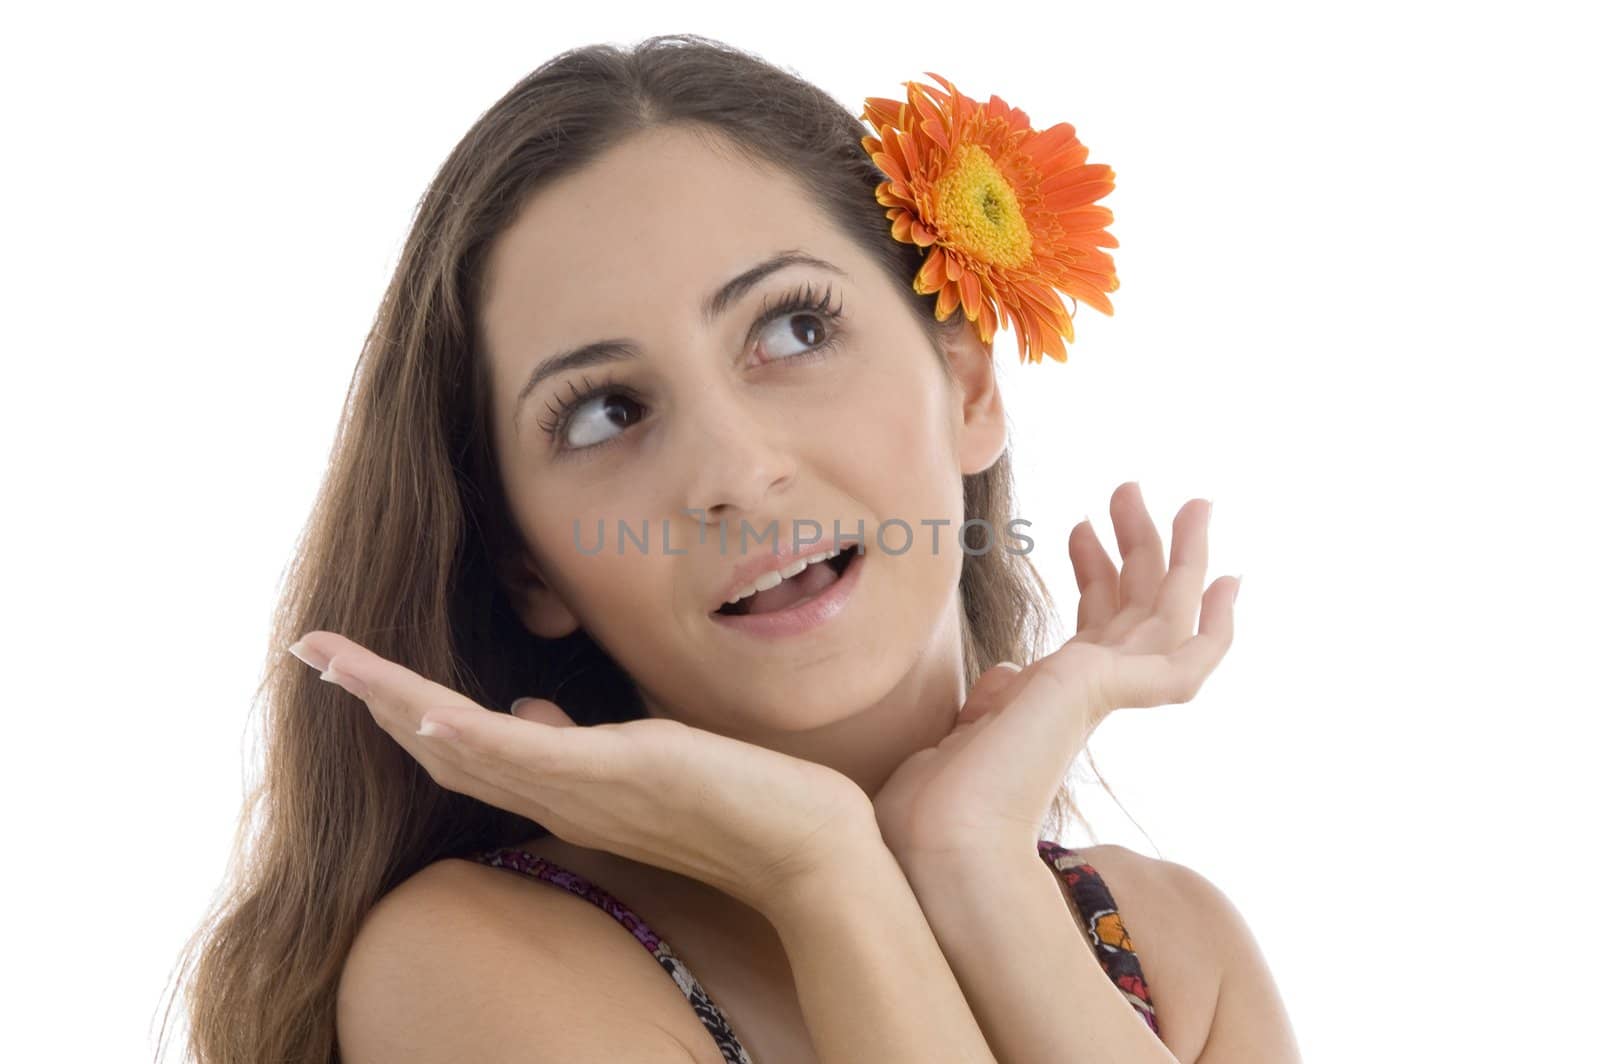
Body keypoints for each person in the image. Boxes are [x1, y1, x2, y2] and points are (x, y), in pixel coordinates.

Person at [159, 32, 1299, 1064]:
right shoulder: (474, 966)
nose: (733, 471)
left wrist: (971, 862)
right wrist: (823, 868)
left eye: (793, 328)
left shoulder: (1179, 949)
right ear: (527, 567)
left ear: (965, 378)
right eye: (605, 410)